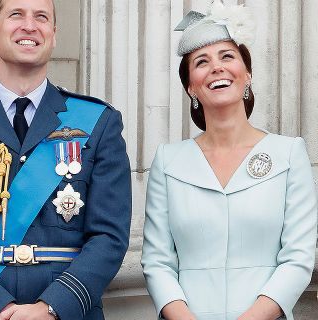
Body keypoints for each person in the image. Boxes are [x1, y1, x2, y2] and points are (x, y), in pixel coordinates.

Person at [0, 0, 132, 319]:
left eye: (41, 17)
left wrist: (52, 307)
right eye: (16, 14)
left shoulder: (98, 122)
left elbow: (110, 236)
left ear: (53, 34)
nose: (29, 25)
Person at [141, 2, 317, 320]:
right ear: (191, 86)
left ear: (246, 74)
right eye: (202, 62)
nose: (217, 68)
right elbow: (157, 261)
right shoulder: (168, 162)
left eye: (227, 56)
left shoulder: (288, 154)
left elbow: (298, 258)